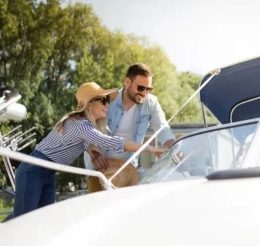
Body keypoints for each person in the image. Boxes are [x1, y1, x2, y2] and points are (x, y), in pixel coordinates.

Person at [10, 81, 168, 219]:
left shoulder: (82, 123)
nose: (108, 104)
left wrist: (94, 152)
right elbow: (112, 142)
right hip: (33, 170)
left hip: (48, 172)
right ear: (90, 103)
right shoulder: (81, 125)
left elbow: (87, 142)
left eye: (108, 100)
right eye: (103, 100)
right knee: (23, 222)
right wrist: (150, 149)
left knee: (40, 220)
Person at [84, 63, 175, 192]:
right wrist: (93, 152)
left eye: (148, 89)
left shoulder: (151, 103)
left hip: (128, 171)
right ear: (127, 81)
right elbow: (86, 128)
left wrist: (173, 147)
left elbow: (162, 128)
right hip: (99, 167)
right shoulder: (107, 100)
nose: (144, 93)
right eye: (141, 88)